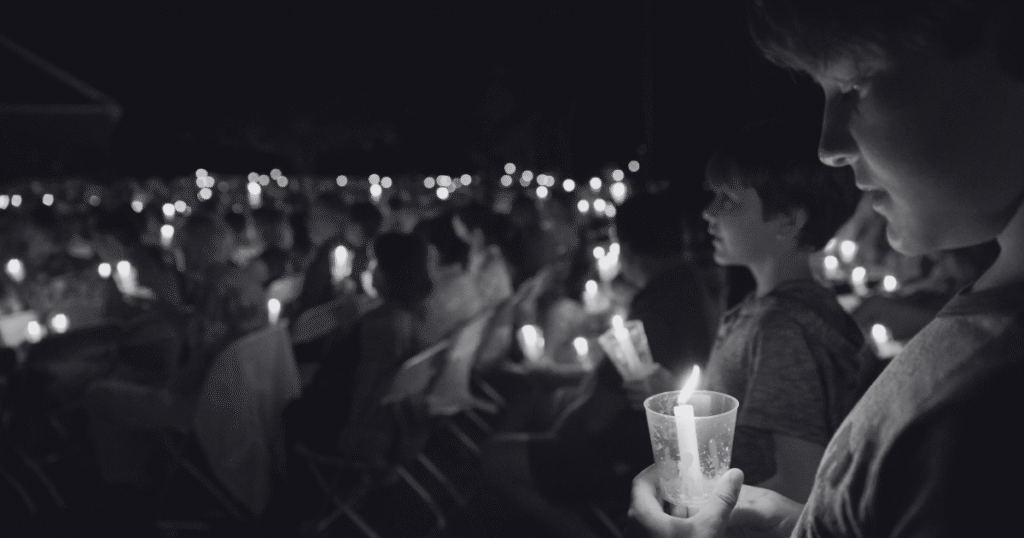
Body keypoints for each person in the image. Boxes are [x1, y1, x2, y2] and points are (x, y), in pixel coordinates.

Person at [629, 1, 1024, 537]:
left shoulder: (982, 405)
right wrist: (798, 525)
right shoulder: (973, 344)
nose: (829, 146)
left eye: (855, 84)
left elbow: (803, 470)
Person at [646, 119, 865, 503]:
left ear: (788, 221)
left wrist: (696, 508)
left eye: (728, 201)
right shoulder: (769, 312)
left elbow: (798, 485)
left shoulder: (783, 330)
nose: (708, 213)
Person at [481, 194, 720, 538]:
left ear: (629, 248)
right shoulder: (690, 286)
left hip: (632, 458)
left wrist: (556, 437)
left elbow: (595, 417)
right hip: (657, 448)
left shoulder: (653, 315)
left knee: (495, 457)